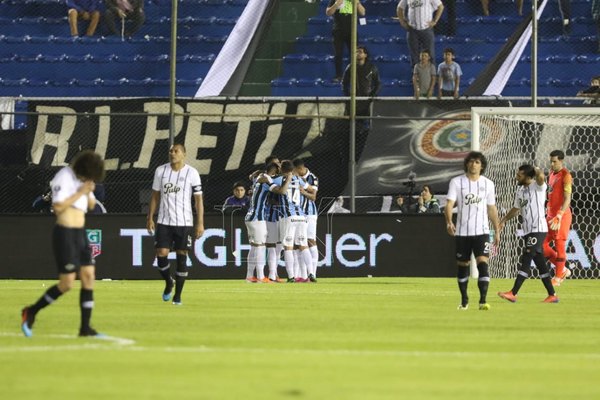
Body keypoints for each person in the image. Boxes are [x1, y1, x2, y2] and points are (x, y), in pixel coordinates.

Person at [21, 150, 106, 337]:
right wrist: (80, 192)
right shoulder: (64, 176)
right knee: (67, 283)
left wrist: (89, 193)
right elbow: (58, 207)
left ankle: (85, 328)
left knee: (89, 276)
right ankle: (31, 311)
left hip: (80, 233)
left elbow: (90, 206)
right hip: (65, 233)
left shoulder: (83, 179)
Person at [146, 144, 204, 305]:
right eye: (170, 151)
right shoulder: (161, 171)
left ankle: (178, 296)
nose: (172, 153)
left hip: (184, 222)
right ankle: (168, 282)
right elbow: (155, 196)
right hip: (164, 221)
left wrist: (200, 223)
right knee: (161, 254)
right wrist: (150, 217)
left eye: (176, 151)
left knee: (181, 258)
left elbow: (198, 200)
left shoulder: (192, 173)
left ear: (184, 154)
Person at [445, 151, 501, 311]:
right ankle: (464, 300)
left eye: (477, 162)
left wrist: (496, 230)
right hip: (462, 233)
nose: (473, 164)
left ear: (482, 165)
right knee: (463, 266)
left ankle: (483, 301)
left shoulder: (488, 184)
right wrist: (449, 222)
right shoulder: (456, 182)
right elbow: (449, 204)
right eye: (471, 161)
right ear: (466, 164)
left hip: (482, 232)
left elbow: (491, 208)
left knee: (483, 263)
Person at [497, 165, 559, 303]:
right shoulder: (520, 190)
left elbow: (542, 177)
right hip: (527, 231)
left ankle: (513, 293)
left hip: (538, 229)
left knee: (526, 257)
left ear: (528, 177)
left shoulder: (538, 187)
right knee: (540, 263)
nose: (516, 177)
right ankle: (552, 295)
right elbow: (516, 208)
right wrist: (504, 220)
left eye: (520, 175)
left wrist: (536, 169)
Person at [544, 150, 573, 287]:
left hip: (561, 217)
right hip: (550, 217)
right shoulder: (551, 174)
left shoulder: (566, 175)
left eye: (554, 161)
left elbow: (567, 198)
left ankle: (557, 277)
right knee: (540, 245)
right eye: (551, 161)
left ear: (561, 161)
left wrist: (560, 214)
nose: (552, 163)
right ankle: (563, 269)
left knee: (559, 244)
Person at [325, 0, 366, 82]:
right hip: (338, 30)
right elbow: (328, 12)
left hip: (352, 31)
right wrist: (336, 5)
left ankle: (355, 76)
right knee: (338, 54)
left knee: (355, 54)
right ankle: (339, 76)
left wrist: (357, 3)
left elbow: (363, 12)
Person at [294, 158, 319, 282]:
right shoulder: (294, 178)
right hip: (297, 214)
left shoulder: (312, 178)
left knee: (310, 241)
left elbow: (313, 197)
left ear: (299, 168)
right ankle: (302, 275)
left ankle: (312, 273)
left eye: (294, 170)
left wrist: (303, 192)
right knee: (299, 243)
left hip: (309, 214)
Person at [397, 0, 444, 66]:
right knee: (414, 57)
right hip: (412, 30)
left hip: (426, 29)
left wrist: (435, 21)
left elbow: (440, 6)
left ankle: (432, 75)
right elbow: (399, 8)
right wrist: (402, 22)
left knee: (430, 55)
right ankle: (416, 75)